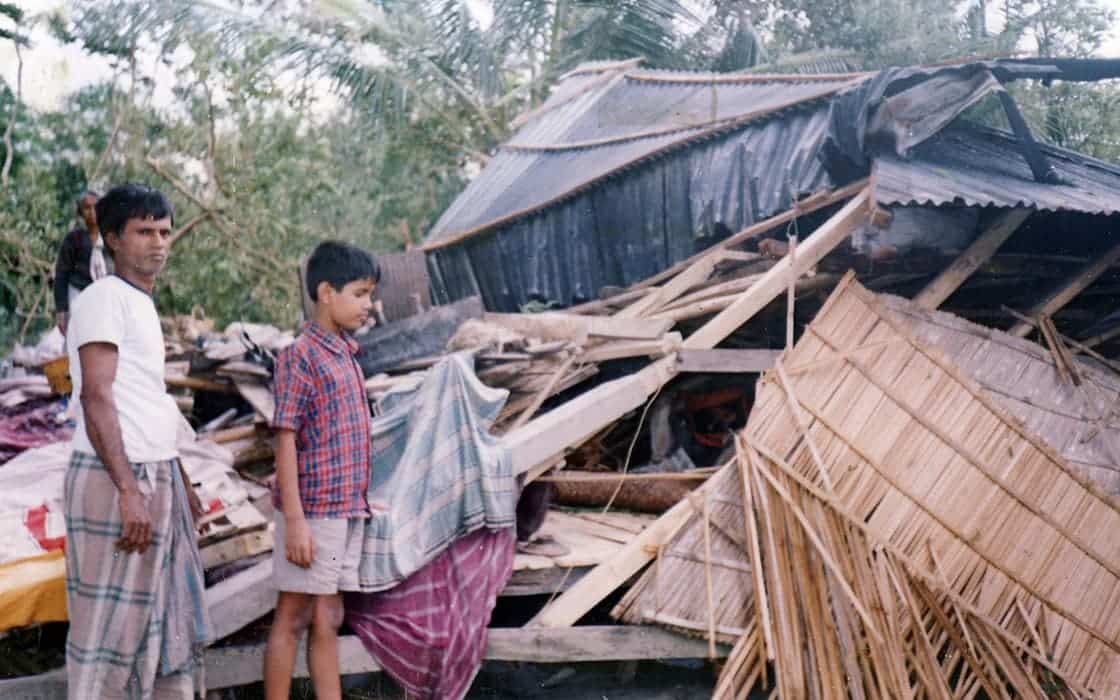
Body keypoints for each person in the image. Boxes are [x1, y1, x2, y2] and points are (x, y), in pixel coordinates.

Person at [63, 183, 211, 700]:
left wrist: (181, 480)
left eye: (165, 232)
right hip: (115, 475)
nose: (158, 243)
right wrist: (128, 489)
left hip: (152, 469)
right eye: (144, 232)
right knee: (111, 629)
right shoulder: (104, 298)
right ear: (111, 238)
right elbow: (97, 396)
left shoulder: (138, 302)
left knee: (157, 620)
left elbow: (146, 396)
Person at [264, 240, 380, 700]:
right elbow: (285, 437)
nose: (368, 305)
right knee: (291, 617)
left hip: (344, 508)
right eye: (360, 293)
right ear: (326, 293)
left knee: (328, 616)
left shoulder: (346, 354)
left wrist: (364, 497)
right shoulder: (301, 356)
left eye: (370, 294)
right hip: (313, 512)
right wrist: (294, 521)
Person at [54, 190, 111, 335]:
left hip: (106, 296)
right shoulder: (74, 239)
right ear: (80, 212)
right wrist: (61, 309)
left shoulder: (111, 237)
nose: (92, 212)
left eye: (96, 207)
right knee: (79, 337)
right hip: (79, 294)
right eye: (87, 208)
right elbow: (62, 273)